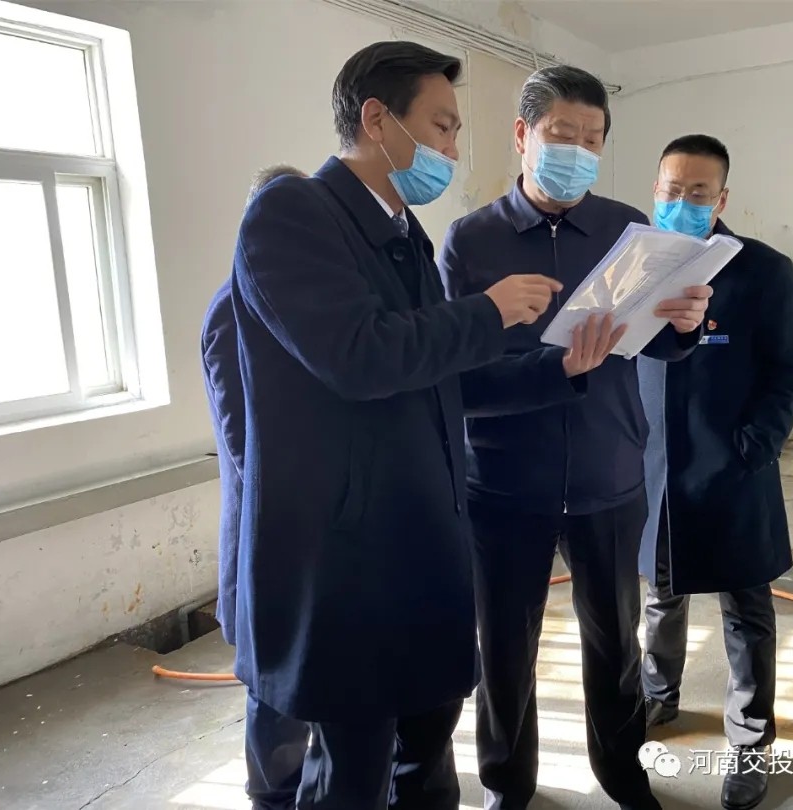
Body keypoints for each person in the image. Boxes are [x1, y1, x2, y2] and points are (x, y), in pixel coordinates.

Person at [229, 41, 566, 810]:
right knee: (353, 772)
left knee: (426, 754)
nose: (452, 150)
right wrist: (486, 311)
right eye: (442, 127)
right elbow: (358, 356)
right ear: (378, 120)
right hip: (348, 563)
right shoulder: (291, 214)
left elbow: (439, 379)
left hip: (420, 546)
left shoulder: (405, 233)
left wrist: (559, 369)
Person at [437, 66, 712, 810]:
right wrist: (556, 370)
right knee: (504, 649)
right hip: (504, 485)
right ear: (522, 135)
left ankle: (623, 773)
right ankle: (507, 784)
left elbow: (656, 339)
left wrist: (686, 326)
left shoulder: (629, 230)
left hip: (608, 474)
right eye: (563, 135)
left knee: (616, 643)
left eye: (593, 140)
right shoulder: (472, 241)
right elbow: (458, 381)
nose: (579, 152)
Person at [637, 134, 793, 810]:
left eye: (698, 192)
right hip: (654, 469)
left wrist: (754, 446)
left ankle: (750, 741)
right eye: (671, 190)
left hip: (733, 468)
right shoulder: (637, 266)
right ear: (655, 190)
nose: (682, 202)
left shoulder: (760, 271)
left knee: (746, 612)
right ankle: (658, 696)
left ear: (722, 198)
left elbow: (790, 369)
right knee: (660, 595)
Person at [202, 164, 310, 810]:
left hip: (309, 530)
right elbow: (244, 442)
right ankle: (273, 795)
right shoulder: (231, 309)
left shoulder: (292, 302)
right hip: (269, 533)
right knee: (275, 688)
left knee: (309, 676)